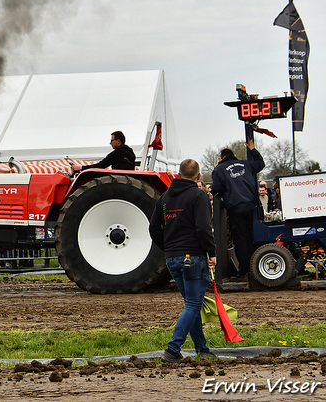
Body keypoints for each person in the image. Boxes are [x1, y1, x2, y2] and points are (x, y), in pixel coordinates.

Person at [149, 159, 216, 363]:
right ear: (198, 176)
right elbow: (203, 228)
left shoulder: (165, 197)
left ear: (178, 174)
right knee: (194, 304)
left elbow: (153, 228)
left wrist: (168, 248)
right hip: (193, 257)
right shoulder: (199, 195)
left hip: (172, 259)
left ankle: (202, 349)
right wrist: (211, 252)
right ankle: (173, 348)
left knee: (191, 304)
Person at [211, 138, 265, 278]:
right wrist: (252, 149)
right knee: (250, 237)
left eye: (218, 158)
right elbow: (260, 163)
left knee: (240, 239)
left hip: (235, 207)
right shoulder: (245, 164)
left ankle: (244, 270)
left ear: (222, 157)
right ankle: (255, 267)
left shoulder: (219, 169)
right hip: (251, 206)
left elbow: (217, 189)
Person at [70, 131, 136, 172]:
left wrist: (81, 167)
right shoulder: (131, 154)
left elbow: (101, 166)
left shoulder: (117, 153)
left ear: (118, 141)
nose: (110, 143)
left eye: (112, 140)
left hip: (118, 181)